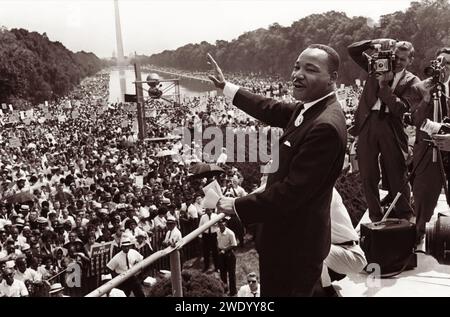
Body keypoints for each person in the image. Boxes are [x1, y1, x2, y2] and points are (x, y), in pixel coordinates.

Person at [210, 43, 347, 296]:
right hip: (288, 240)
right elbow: (269, 107)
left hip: (294, 247)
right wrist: (226, 87)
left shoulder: (324, 125)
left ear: (333, 78)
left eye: (310, 69)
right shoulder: (310, 108)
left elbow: (293, 192)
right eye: (296, 67)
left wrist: (239, 205)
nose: (298, 74)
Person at [347, 39, 419, 222]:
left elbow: (401, 108)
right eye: (395, 57)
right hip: (367, 123)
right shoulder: (376, 65)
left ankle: (405, 215)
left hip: (391, 126)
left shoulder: (413, 81)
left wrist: (383, 87)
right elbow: (353, 50)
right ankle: (375, 217)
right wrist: (373, 42)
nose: (398, 62)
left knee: (397, 172)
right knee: (368, 173)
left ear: (410, 60)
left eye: (403, 59)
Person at [405, 47, 450, 244]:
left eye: (447, 62)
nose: (442, 66)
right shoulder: (420, 88)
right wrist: (425, 100)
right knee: (424, 196)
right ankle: (418, 235)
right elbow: (414, 120)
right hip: (427, 153)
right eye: (439, 61)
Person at [319, 188, 367, 296]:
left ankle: (328, 291)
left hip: (351, 253)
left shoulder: (324, 194)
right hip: (338, 251)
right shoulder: (319, 188)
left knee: (313, 247)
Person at [216, 219, 237, 296]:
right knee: (222, 273)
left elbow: (234, 245)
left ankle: (233, 291)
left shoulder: (230, 233)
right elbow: (218, 241)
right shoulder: (218, 231)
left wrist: (225, 250)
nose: (221, 226)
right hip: (221, 254)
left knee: (231, 274)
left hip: (229, 254)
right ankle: (224, 289)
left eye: (223, 224)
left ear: (225, 224)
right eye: (220, 224)